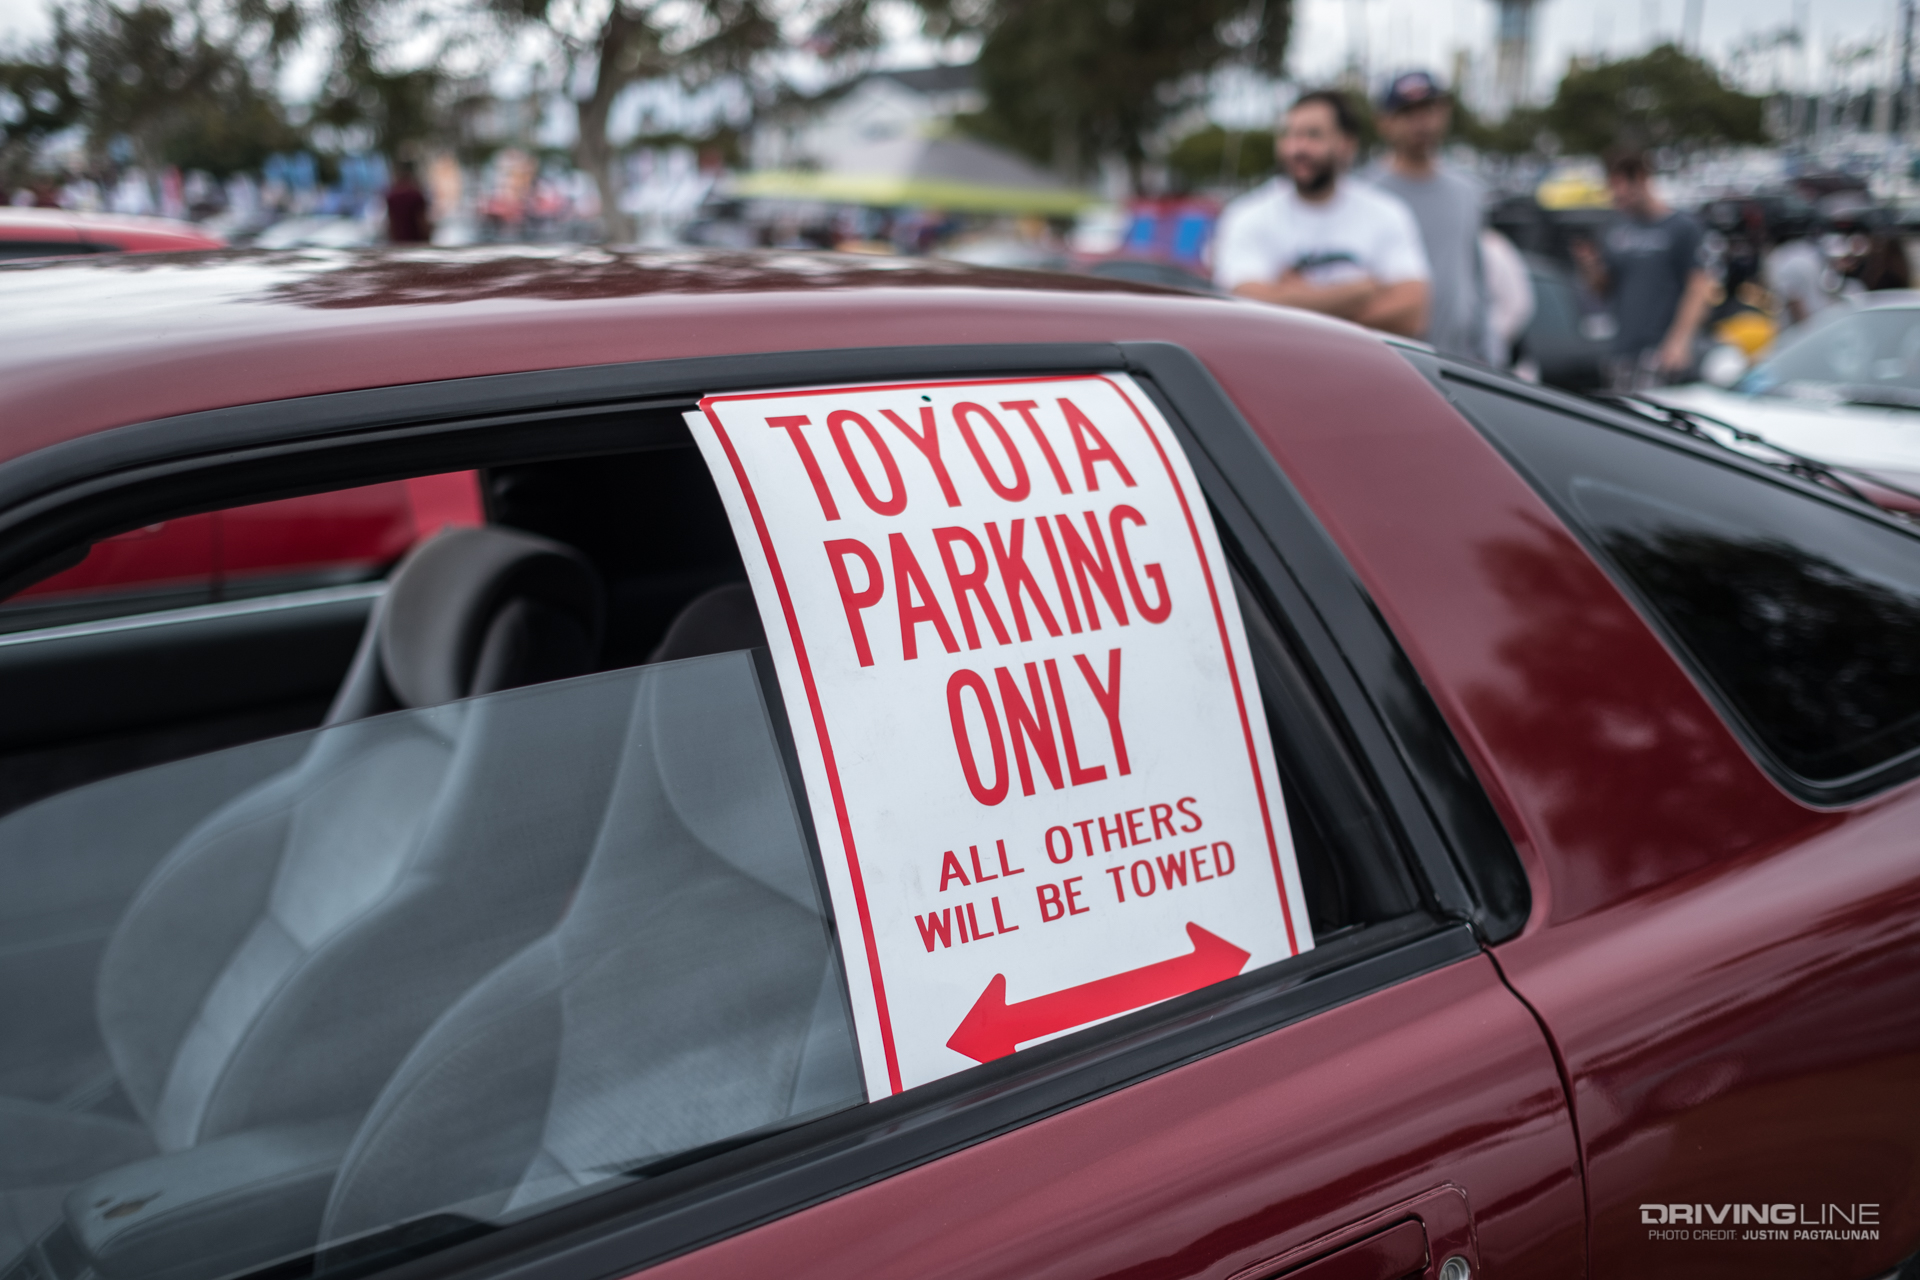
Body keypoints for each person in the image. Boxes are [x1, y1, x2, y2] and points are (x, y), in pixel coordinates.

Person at [1214, 89, 1430, 338]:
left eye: (1313, 135)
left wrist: (1290, 296)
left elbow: (1413, 313)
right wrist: (1358, 292)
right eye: (1289, 135)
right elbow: (1246, 306)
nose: (1297, 148)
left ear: (1346, 145)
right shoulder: (1247, 215)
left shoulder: (1387, 212)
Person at [1570, 148, 1714, 389]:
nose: (1617, 198)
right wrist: (1589, 266)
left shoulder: (1681, 227)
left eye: (1621, 189)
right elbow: (1602, 289)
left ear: (1640, 178)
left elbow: (1699, 287)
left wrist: (1679, 341)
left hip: (1661, 351)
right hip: (1623, 349)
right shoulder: (1616, 229)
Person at [1365, 70, 1485, 358]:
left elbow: (1477, 278)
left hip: (1458, 362)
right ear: (1384, 122)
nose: (1421, 122)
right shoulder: (1365, 194)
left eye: (1430, 109)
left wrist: (1489, 350)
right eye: (1407, 112)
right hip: (1387, 359)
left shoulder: (1467, 192)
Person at [1763, 210, 1840, 328]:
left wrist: (1807, 333)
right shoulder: (1810, 250)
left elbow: (1795, 302)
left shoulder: (1778, 258)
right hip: (1824, 321)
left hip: (1805, 331)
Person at [385, 159, 431, 245]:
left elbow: (391, 224)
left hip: (398, 244)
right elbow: (422, 222)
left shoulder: (392, 196)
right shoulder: (416, 195)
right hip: (416, 243)